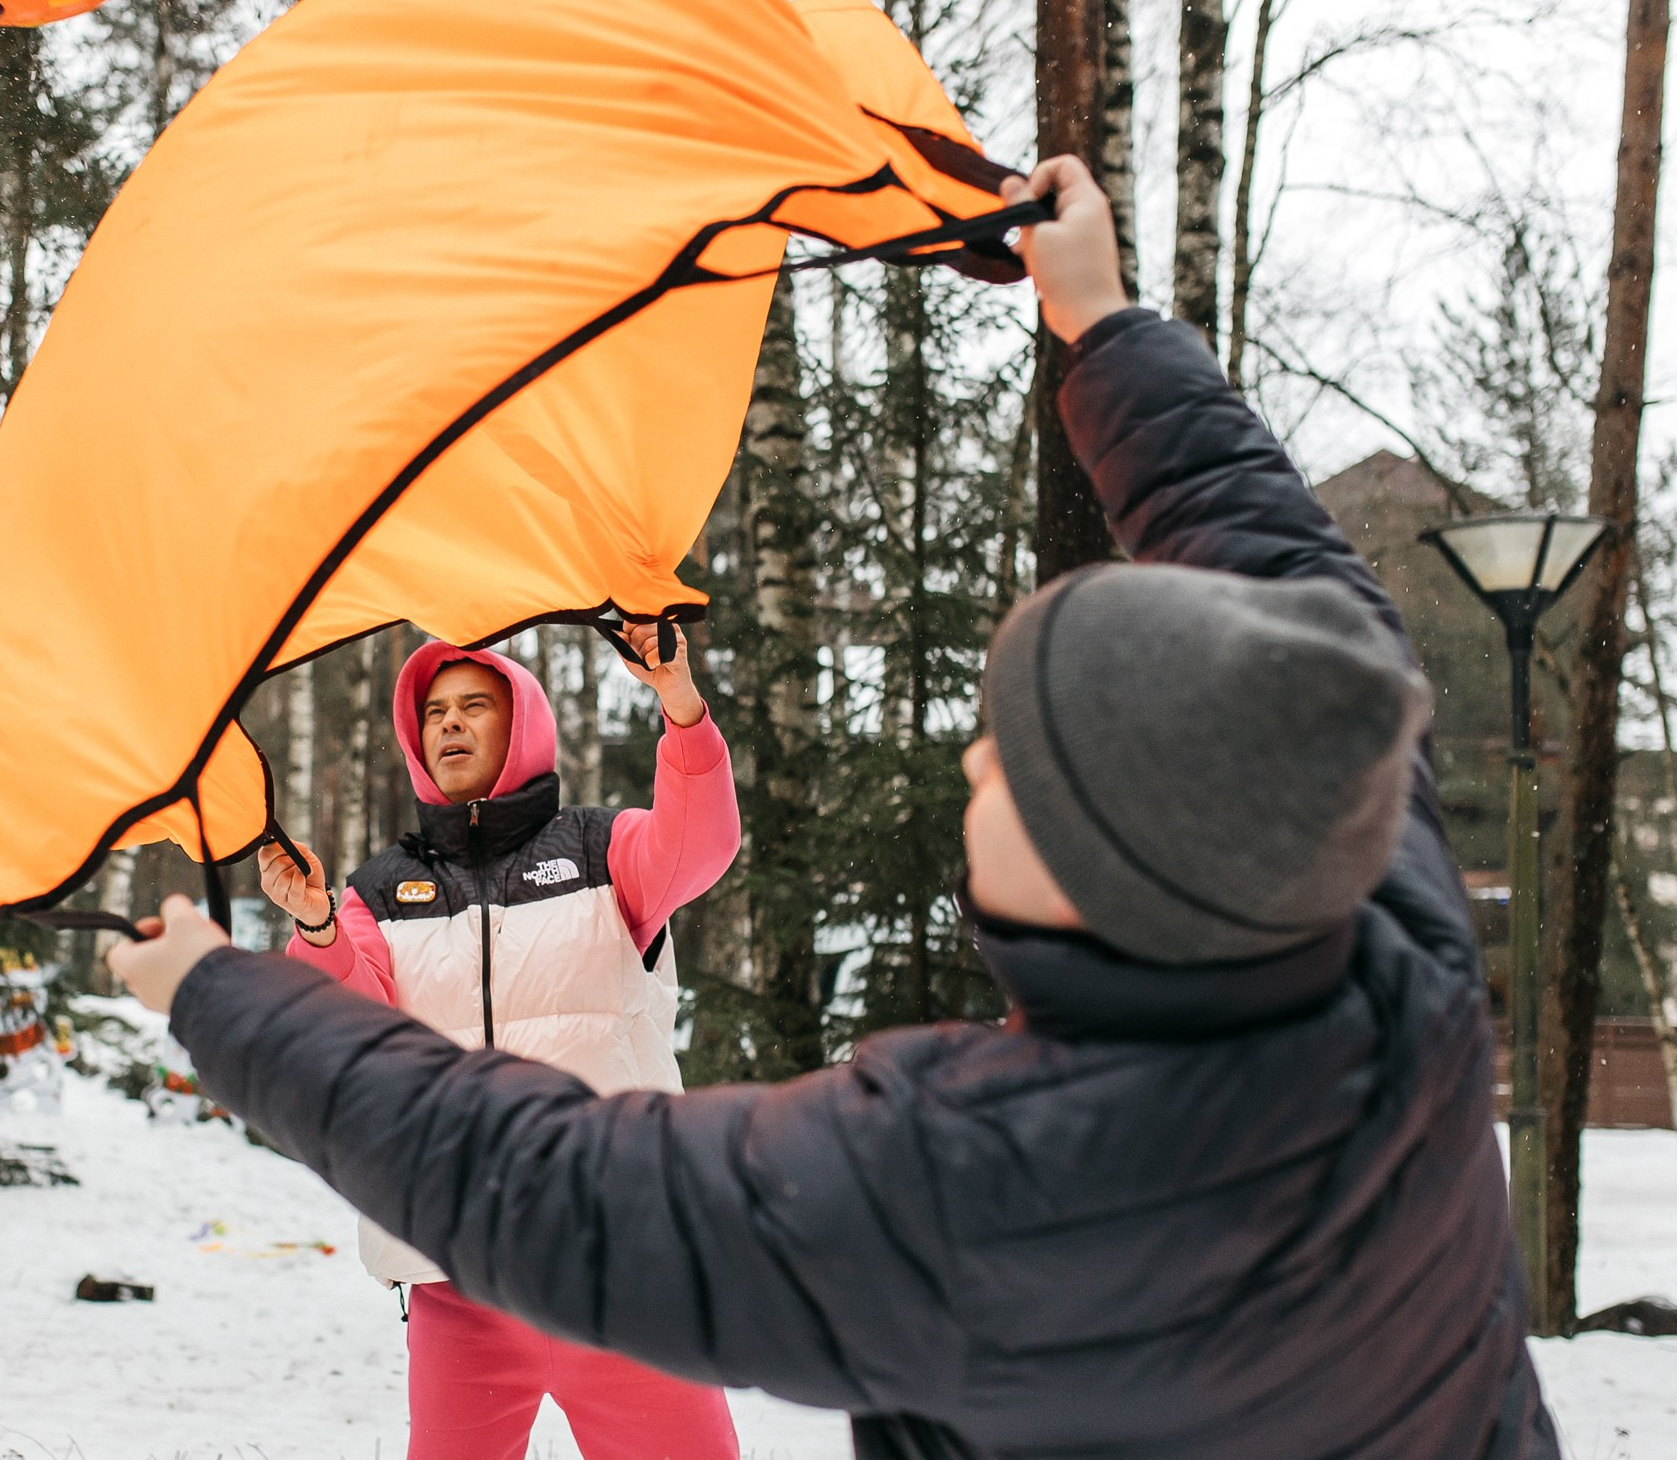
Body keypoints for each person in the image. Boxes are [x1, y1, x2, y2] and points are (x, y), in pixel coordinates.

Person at [113, 157, 1558, 1459]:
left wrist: (211, 990)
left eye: (1012, 766)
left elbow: (545, 1182)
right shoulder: (1393, 947)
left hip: (512, 1237)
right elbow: (1286, 565)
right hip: (447, 1288)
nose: (975, 771)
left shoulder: (961, 1180)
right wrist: (1106, 324)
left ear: (1088, 871)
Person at [250, 626, 743, 1460]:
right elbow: (349, 1020)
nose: (449, 724)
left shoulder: (602, 849)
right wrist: (317, 924)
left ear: (523, 725)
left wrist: (681, 707)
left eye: (474, 705)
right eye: (434, 712)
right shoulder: (378, 891)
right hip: (457, 1279)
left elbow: (701, 844)